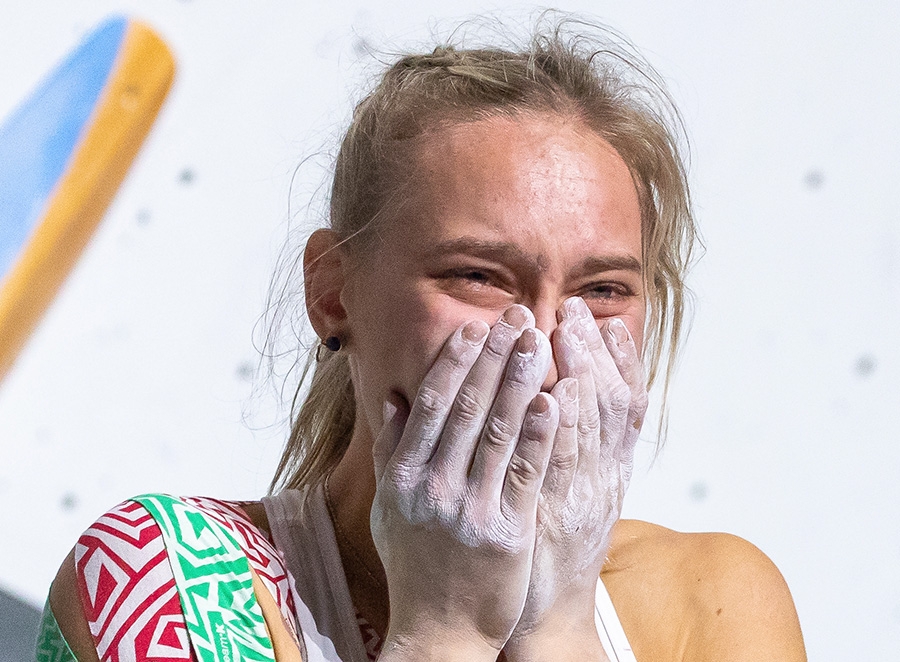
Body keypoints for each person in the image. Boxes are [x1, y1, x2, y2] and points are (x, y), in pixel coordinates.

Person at [38, 16, 807, 662]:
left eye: (601, 291)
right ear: (333, 292)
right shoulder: (167, 570)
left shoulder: (713, 603)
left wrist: (560, 624)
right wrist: (446, 628)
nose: (539, 345)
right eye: (479, 277)